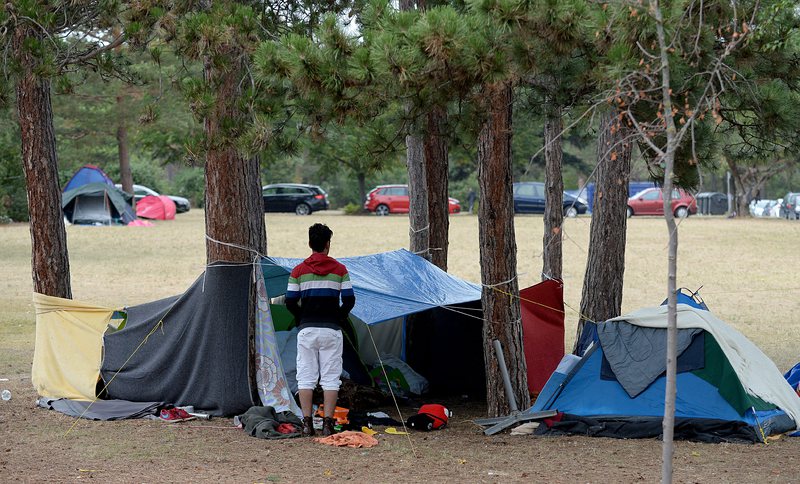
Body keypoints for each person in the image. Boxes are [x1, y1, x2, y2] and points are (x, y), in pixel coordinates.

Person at [285, 223, 355, 437]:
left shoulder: (298, 271)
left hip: (307, 330)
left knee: (305, 378)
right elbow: (350, 300)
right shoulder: (340, 270)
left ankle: (306, 424)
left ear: (310, 243)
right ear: (327, 244)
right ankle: (327, 424)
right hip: (331, 330)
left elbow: (289, 301)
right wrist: (338, 317)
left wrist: (301, 318)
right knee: (331, 379)